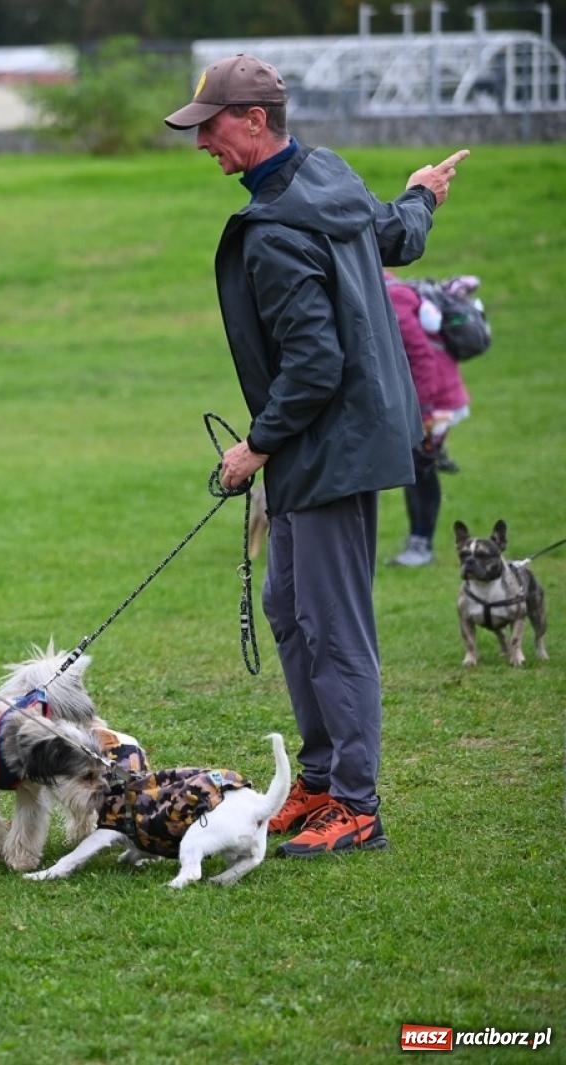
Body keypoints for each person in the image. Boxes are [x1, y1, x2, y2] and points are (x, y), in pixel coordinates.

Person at [164, 54, 467, 858]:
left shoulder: (275, 230)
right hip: (332, 442)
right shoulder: (326, 174)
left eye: (212, 128)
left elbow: (315, 363)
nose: (203, 145)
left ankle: (357, 804)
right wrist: (422, 193)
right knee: (289, 607)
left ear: (255, 121)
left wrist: (253, 448)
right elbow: (394, 234)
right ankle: (324, 777)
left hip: (328, 445)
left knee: (333, 627)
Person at [385, 273, 472, 568]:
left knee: (420, 466)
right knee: (418, 465)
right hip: (429, 399)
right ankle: (419, 542)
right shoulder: (387, 289)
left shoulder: (393, 298)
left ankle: (421, 544)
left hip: (438, 401)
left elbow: (423, 358)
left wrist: (422, 415)